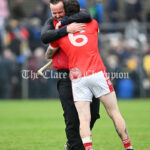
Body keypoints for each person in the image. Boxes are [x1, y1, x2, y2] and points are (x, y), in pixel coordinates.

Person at [48, 0, 134, 150]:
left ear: (65, 13)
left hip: (78, 77)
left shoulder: (59, 30)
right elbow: (94, 32)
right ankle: (128, 147)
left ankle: (88, 148)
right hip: (97, 73)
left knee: (84, 119)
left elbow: (49, 52)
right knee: (114, 112)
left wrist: (53, 53)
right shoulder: (93, 23)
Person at [41, 0, 100, 150]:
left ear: (66, 9)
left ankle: (73, 144)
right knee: (71, 117)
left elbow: (87, 15)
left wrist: (67, 21)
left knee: (93, 113)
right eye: (54, 13)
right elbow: (44, 36)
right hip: (65, 74)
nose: (57, 16)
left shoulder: (80, 16)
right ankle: (74, 146)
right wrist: (65, 30)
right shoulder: (52, 22)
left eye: (60, 12)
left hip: (86, 71)